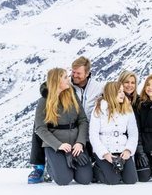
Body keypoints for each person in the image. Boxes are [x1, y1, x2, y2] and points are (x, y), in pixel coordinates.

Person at [28, 56, 103, 184]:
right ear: (57, 81)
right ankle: (47, 167)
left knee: (85, 179)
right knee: (64, 179)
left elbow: (83, 120)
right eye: (67, 76)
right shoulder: (44, 101)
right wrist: (59, 145)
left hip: (76, 141)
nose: (71, 77)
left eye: (77, 73)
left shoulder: (74, 94)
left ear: (87, 73)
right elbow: (40, 128)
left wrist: (80, 142)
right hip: (56, 142)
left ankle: (72, 166)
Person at [89, 81, 138, 185]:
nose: (122, 94)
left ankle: (116, 171)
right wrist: (105, 154)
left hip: (122, 150)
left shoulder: (127, 108)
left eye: (122, 91)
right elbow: (93, 135)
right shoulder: (98, 109)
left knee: (131, 180)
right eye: (119, 91)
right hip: (106, 150)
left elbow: (133, 133)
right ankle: (96, 169)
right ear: (111, 93)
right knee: (113, 180)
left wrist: (128, 150)